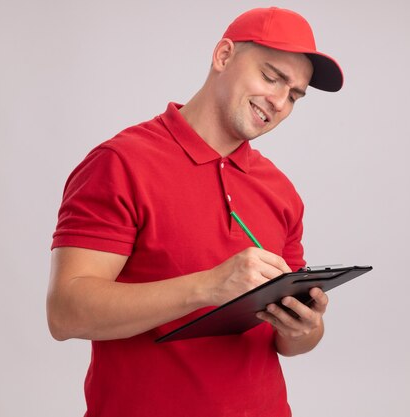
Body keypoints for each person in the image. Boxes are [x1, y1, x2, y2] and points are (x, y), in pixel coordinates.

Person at [47, 7, 343, 417]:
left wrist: (305, 327)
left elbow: (290, 344)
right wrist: (209, 286)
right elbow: (65, 313)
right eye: (271, 77)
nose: (278, 101)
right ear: (223, 56)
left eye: (294, 95)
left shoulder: (280, 189)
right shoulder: (121, 162)